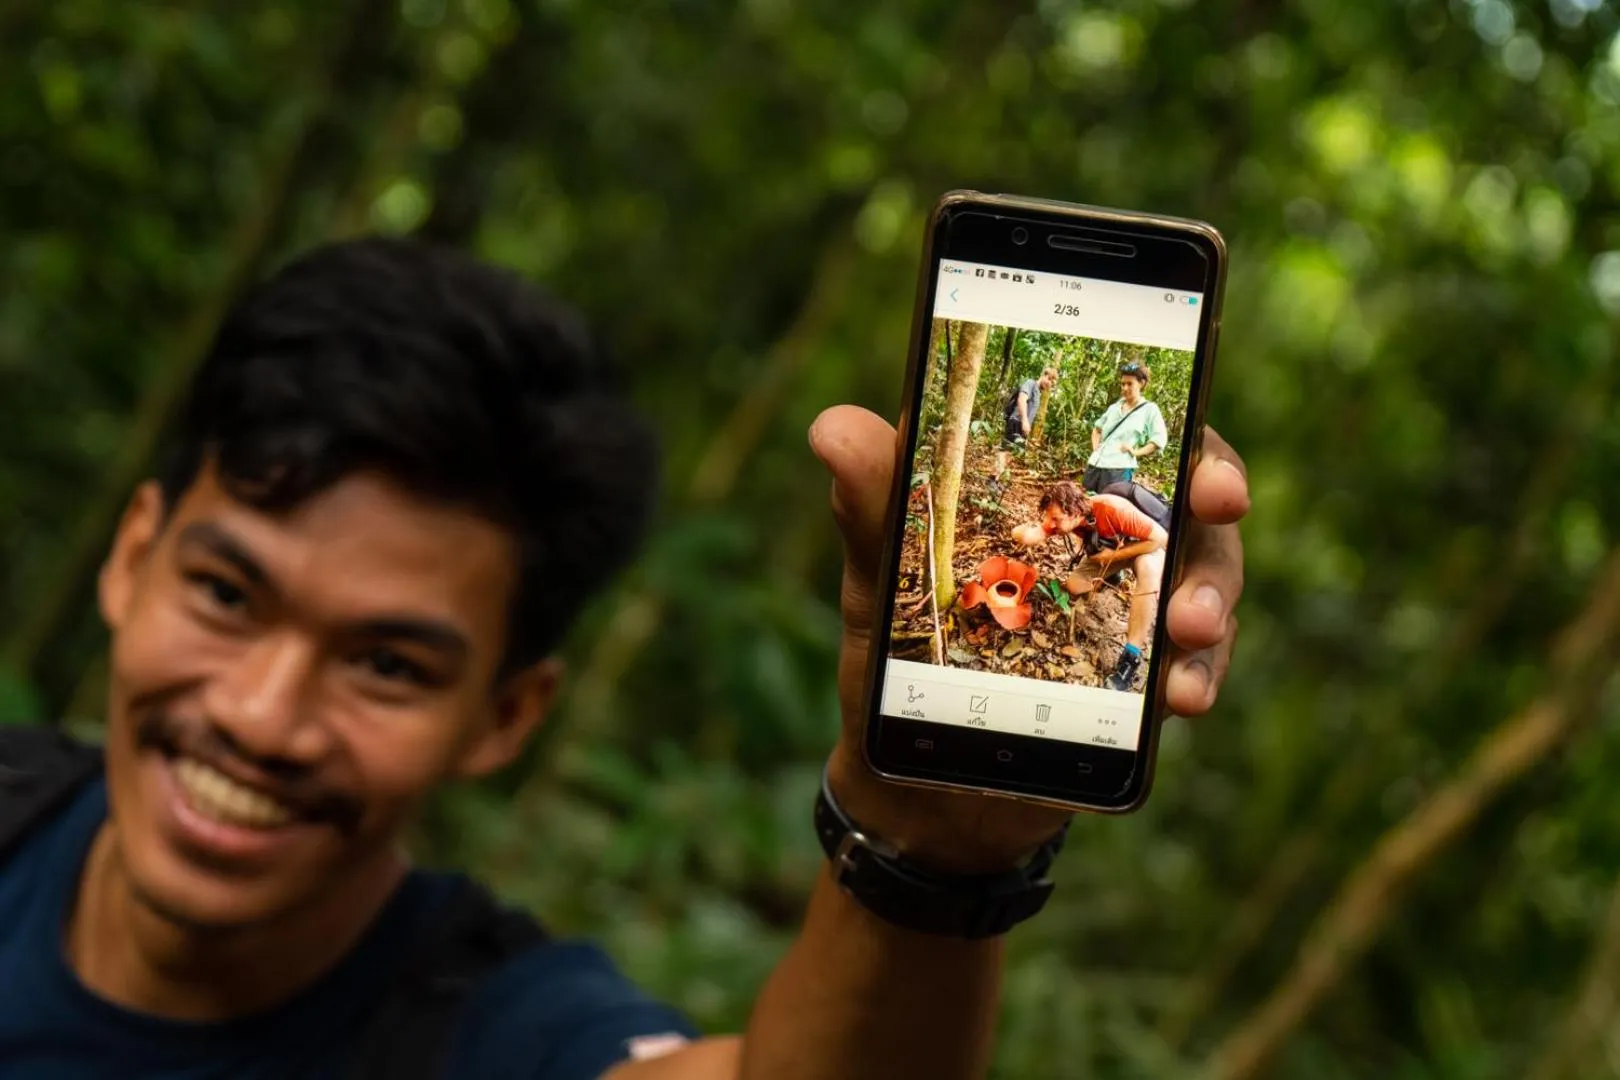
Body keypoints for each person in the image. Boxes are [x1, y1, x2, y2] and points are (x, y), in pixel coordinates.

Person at [0, 237, 1249, 1079]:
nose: (263, 716)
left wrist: (938, 849)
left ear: (507, 714)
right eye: (226, 594)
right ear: (130, 557)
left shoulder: (493, 1031)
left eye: (388, 666)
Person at [1021, 480, 1169, 692]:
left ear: (1073, 511)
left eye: (1056, 519)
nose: (1051, 524)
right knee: (1074, 585)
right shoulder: (1069, 519)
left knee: (1148, 571)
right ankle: (1113, 576)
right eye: (1049, 518)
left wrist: (1114, 555)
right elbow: (1030, 535)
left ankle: (1131, 656)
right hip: (1110, 552)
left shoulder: (1112, 508)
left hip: (1145, 546)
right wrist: (1021, 533)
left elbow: (1160, 538)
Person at [1082, 359, 1168, 493]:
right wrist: (1095, 448)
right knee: (1085, 504)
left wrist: (1136, 452)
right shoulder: (1114, 407)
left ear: (1141, 383)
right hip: (1095, 465)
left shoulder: (1149, 409)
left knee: (1110, 508)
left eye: (1129, 384)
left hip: (1119, 468)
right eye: (1122, 384)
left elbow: (1159, 439)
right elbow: (1097, 429)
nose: (1125, 388)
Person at [993, 365, 1058, 483]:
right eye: (1049, 380)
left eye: (1052, 384)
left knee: (1011, 454)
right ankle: (993, 479)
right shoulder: (1030, 383)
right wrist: (1024, 420)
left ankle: (999, 480)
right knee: (1005, 450)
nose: (1049, 385)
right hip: (1016, 421)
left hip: (1022, 427)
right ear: (1044, 375)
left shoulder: (1038, 393)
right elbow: (1022, 399)